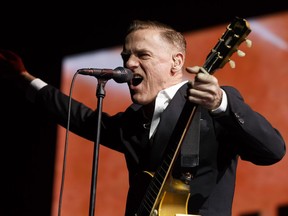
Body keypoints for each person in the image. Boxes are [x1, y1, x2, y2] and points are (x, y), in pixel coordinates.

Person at [0, 20, 286, 216]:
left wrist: (220, 104)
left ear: (176, 61)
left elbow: (272, 150)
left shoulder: (210, 105)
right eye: (126, 56)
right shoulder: (133, 121)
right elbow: (81, 118)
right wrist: (27, 80)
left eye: (142, 55)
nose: (128, 64)